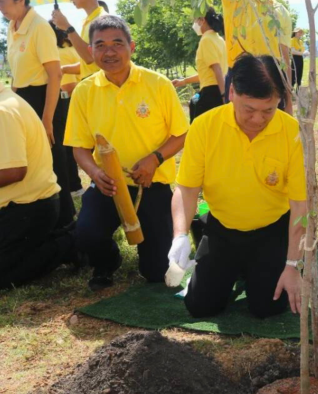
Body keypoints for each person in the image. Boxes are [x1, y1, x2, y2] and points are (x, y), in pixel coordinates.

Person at [166, 53, 307, 319]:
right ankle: (230, 269)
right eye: (249, 109)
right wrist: (180, 235)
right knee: (200, 306)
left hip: (271, 229)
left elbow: (301, 203)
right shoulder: (204, 127)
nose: (258, 120)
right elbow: (186, 188)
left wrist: (292, 264)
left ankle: (252, 272)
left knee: (267, 307)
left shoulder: (293, 132)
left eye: (268, 110)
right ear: (232, 92)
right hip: (222, 228)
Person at [64, 15, 188, 291]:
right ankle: (107, 261)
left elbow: (181, 134)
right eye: (100, 45)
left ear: (131, 47)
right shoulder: (84, 91)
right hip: (107, 186)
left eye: (117, 43)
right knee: (86, 234)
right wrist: (95, 172)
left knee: (156, 272)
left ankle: (152, 252)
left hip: (151, 184)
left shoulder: (157, 84)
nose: (109, 52)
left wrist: (154, 160)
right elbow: (79, 148)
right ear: (91, 51)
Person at [2, 0, 75, 229]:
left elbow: (55, 75)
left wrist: (47, 121)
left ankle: (66, 226)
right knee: (32, 161)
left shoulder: (39, 27)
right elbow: (18, 74)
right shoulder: (13, 27)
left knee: (54, 161)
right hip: (22, 98)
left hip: (45, 98)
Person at [0, 83, 75, 290]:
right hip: (19, 205)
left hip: (28, 208)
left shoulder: (3, 112)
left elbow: (13, 172)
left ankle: (70, 243)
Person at [222, 0, 293, 113]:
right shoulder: (235, 3)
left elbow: (285, 58)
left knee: (270, 128)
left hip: (272, 79)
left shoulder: (281, 12)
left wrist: (289, 101)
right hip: (240, 78)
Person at [172, 7, 227, 123]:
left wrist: (224, 97)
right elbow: (209, 74)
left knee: (199, 133)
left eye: (195, 20)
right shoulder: (219, 40)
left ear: (202, 20)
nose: (194, 24)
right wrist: (184, 81)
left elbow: (217, 69)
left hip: (212, 95)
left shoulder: (206, 40)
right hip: (221, 89)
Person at [50, 21, 84, 196]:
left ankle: (72, 185)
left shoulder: (57, 53)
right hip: (78, 101)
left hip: (64, 100)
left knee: (63, 145)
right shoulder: (73, 50)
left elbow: (67, 85)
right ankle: (75, 184)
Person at [51, 0, 108, 81]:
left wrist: (67, 27)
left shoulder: (102, 20)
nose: (70, 0)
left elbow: (90, 57)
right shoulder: (88, 22)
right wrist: (64, 69)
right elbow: (89, 65)